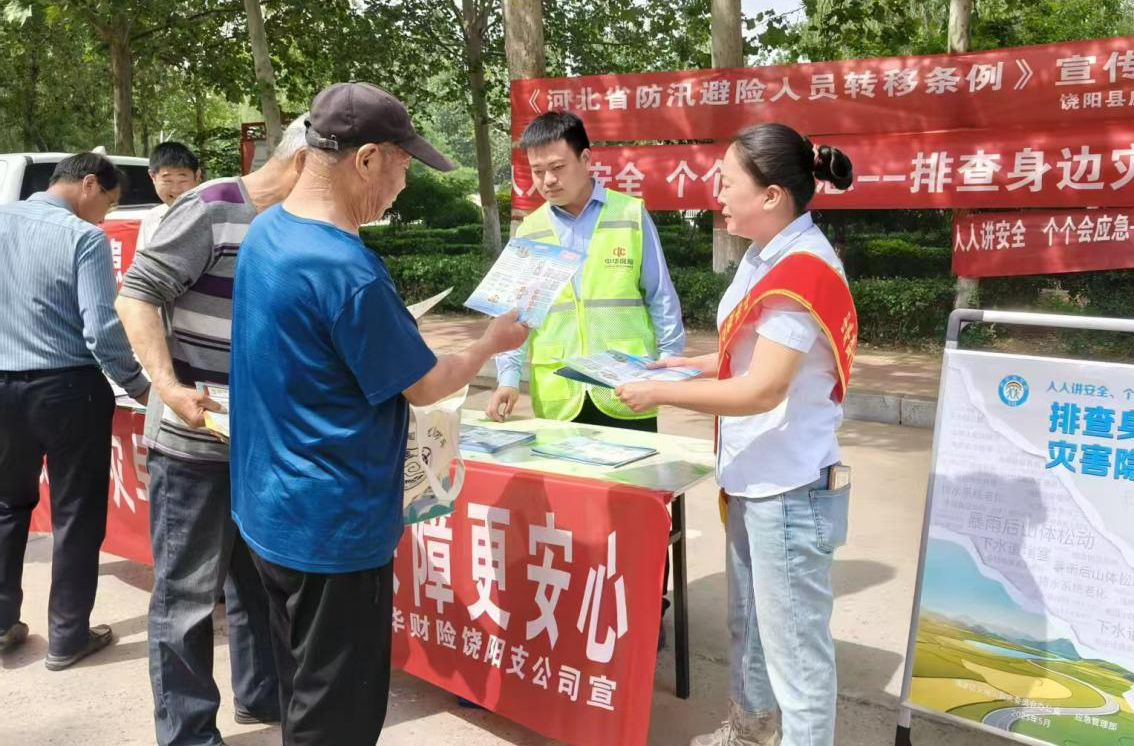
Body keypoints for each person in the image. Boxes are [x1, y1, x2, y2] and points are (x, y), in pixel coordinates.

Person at [229, 82, 529, 746]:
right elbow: (425, 386)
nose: (402, 183)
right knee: (337, 718)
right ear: (366, 160)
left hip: (267, 507)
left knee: (302, 688)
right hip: (332, 529)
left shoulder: (268, 231)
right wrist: (489, 344)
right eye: (402, 164)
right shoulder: (347, 271)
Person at [615, 123, 858, 746]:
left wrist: (660, 394)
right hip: (755, 478)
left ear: (771, 195)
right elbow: (748, 353)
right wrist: (687, 365)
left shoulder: (804, 271)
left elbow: (762, 389)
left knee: (797, 657)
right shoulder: (764, 254)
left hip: (789, 490)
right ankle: (749, 732)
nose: (716, 194)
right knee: (748, 626)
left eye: (726, 183)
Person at [114, 116, 308, 746]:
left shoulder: (296, 224)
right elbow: (136, 296)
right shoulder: (211, 207)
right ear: (305, 162)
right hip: (194, 441)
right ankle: (188, 732)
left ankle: (262, 695)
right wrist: (167, 388)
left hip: (262, 442)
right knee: (188, 596)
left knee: (261, 585)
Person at [484, 110, 685, 646]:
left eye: (557, 167)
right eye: (537, 172)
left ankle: (647, 611)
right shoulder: (530, 230)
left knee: (640, 511)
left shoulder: (628, 215)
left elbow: (661, 298)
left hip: (628, 392)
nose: (547, 180)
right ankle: (580, 610)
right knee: (569, 516)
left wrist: (670, 372)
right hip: (561, 395)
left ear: (586, 159)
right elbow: (515, 315)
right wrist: (508, 378)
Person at [0, 153, 150, 669]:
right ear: (89, 184)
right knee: (76, 514)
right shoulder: (83, 238)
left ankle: (1, 623)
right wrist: (140, 386)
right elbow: (101, 328)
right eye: (108, 202)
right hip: (67, 390)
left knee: (6, 505)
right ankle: (67, 637)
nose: (105, 216)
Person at [136, 141, 202, 252]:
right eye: (167, 181)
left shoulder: (211, 216)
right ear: (153, 177)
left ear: (197, 176)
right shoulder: (152, 218)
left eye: (183, 180)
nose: (176, 189)